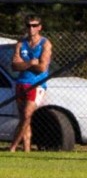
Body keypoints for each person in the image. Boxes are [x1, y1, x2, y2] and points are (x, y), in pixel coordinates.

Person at [9, 15, 52, 152]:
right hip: (21, 83)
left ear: (39, 27)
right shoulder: (21, 44)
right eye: (28, 25)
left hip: (36, 84)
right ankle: (26, 149)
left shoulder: (45, 44)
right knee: (24, 118)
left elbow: (42, 68)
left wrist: (24, 64)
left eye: (34, 25)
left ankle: (13, 147)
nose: (31, 28)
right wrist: (31, 63)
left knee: (27, 115)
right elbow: (14, 66)